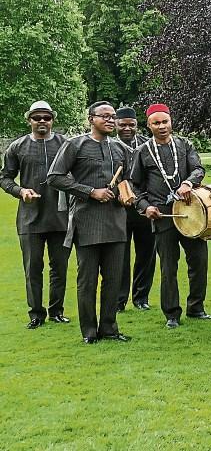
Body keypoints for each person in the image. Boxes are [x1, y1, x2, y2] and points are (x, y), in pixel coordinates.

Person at [47, 101, 131, 344]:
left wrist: (127, 194)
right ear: (91, 119)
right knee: (87, 281)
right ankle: (89, 332)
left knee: (114, 280)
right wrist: (89, 191)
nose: (110, 120)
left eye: (112, 116)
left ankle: (110, 328)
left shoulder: (120, 148)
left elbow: (129, 179)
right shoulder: (76, 145)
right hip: (86, 222)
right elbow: (54, 177)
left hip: (116, 222)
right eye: (104, 116)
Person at [129, 103, 211, 329]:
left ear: (171, 121)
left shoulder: (184, 144)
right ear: (149, 125)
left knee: (199, 260)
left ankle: (196, 308)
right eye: (156, 123)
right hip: (162, 214)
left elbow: (198, 169)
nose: (162, 126)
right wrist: (145, 206)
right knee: (168, 266)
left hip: (191, 211)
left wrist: (188, 182)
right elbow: (134, 186)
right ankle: (172, 314)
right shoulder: (142, 151)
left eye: (165, 121)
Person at [0, 101, 70, 329]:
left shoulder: (65, 144)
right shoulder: (17, 147)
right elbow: (4, 177)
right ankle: (36, 314)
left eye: (46, 117)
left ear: (53, 120)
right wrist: (20, 191)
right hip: (30, 218)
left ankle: (57, 311)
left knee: (59, 268)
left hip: (60, 216)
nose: (42, 121)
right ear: (29, 119)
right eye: (37, 117)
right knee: (32, 268)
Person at [114, 106, 156, 312]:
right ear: (115, 125)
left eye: (131, 125)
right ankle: (119, 299)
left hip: (144, 206)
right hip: (118, 209)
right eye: (123, 125)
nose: (127, 129)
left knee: (146, 254)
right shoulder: (110, 145)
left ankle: (141, 297)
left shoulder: (148, 146)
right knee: (119, 256)